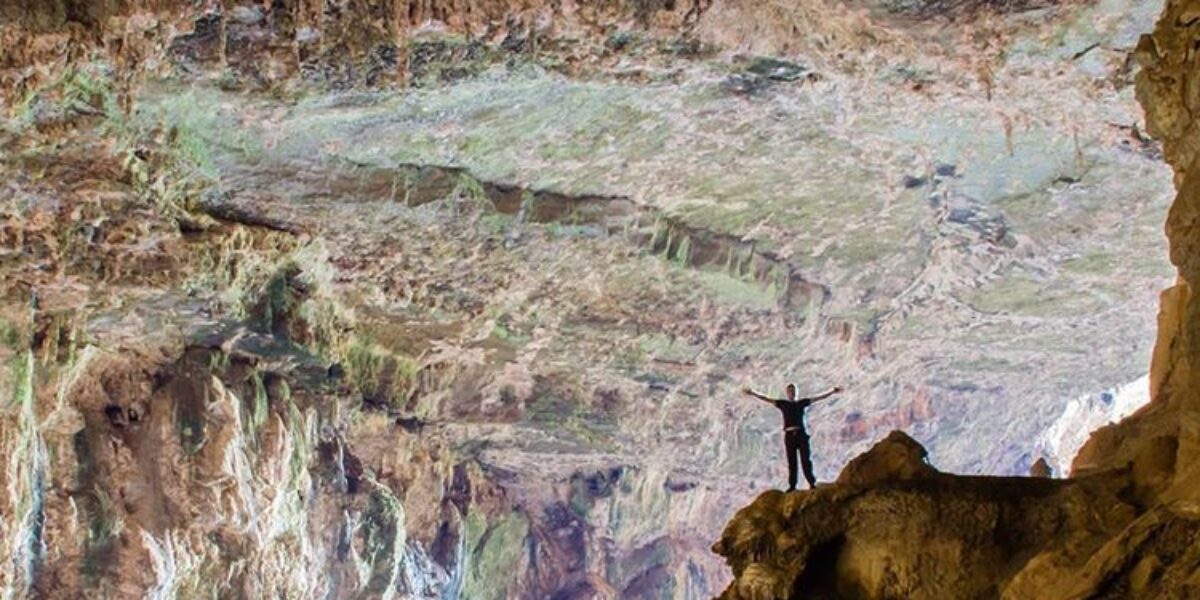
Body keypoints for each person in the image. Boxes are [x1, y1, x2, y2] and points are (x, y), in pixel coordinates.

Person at [742, 383, 843, 491]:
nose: (792, 393)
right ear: (787, 393)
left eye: (793, 391)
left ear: (796, 392)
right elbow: (767, 399)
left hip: (801, 434)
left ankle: (811, 483)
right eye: (790, 391)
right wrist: (753, 393)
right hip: (789, 435)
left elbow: (818, 398)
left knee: (805, 460)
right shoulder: (783, 404)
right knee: (792, 461)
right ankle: (792, 486)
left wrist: (832, 392)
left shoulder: (801, 403)